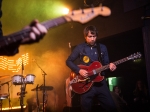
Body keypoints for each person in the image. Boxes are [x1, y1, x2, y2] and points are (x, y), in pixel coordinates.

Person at [66, 25, 117, 112]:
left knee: (111, 107)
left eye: (94, 36)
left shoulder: (102, 47)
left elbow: (106, 64)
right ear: (85, 36)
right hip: (86, 83)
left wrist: (111, 66)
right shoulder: (80, 47)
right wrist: (79, 70)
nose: (93, 39)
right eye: (90, 36)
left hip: (100, 83)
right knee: (86, 109)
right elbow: (68, 61)